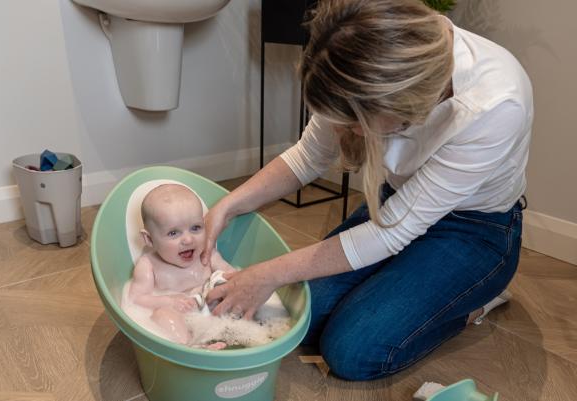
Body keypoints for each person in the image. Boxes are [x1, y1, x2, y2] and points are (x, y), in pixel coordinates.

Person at [202, 0, 532, 380]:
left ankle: (472, 303)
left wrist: (265, 275)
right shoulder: (357, 57)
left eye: (357, 123)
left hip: (474, 231)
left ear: (403, 104)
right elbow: (307, 159)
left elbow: (389, 233)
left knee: (352, 351)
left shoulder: (494, 105)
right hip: (393, 208)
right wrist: (227, 206)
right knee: (298, 321)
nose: (353, 132)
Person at [128, 184, 235, 348]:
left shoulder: (207, 254)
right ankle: (190, 347)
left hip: (213, 313)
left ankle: (243, 335)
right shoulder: (148, 265)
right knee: (163, 315)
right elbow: (136, 299)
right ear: (149, 239)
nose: (188, 240)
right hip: (181, 317)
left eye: (195, 228)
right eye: (173, 233)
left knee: (237, 294)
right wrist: (168, 301)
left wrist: (223, 283)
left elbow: (230, 273)